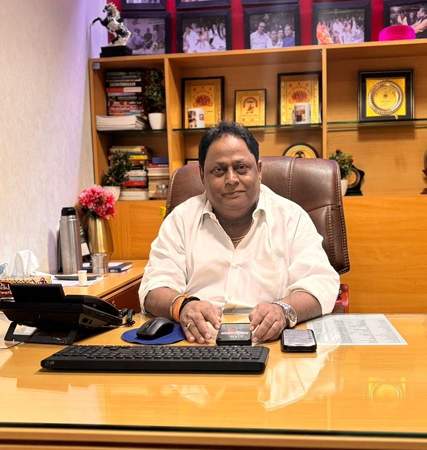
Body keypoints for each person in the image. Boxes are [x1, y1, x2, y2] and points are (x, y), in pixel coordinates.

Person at [139, 122, 339, 344]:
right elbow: (153, 287)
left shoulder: (291, 217)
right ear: (202, 175)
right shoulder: (181, 219)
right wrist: (183, 306)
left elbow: (320, 283)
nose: (231, 179)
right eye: (219, 170)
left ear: (259, 171)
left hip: (269, 343)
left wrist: (283, 310)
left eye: (241, 167)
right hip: (198, 342)